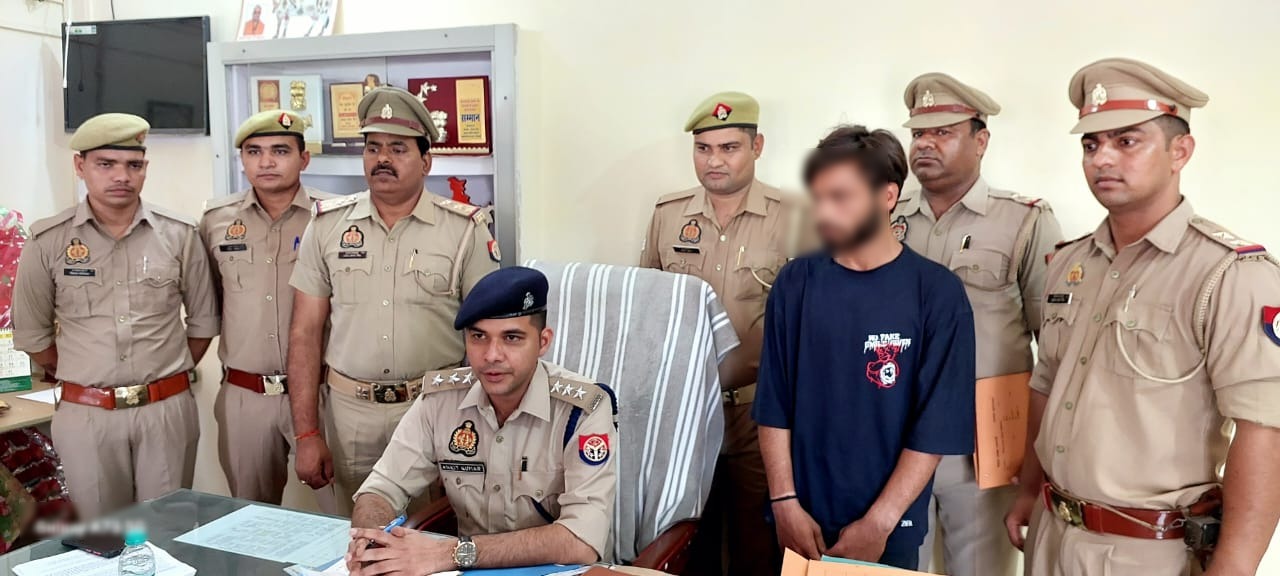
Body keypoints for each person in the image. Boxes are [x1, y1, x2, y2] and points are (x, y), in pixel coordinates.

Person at [1005, 58, 1280, 576]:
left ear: (1181, 151)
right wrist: (1028, 490)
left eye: (1127, 141)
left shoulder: (1230, 275)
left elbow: (1264, 432)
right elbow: (1047, 383)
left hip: (1149, 552)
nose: (1102, 158)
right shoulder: (1068, 263)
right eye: (1091, 145)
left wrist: (1234, 567)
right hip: (1051, 532)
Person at [753, 125, 976, 570]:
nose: (825, 212)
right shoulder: (796, 283)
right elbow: (774, 404)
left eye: (841, 197)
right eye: (819, 198)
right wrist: (784, 502)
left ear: (887, 196)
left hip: (889, 527)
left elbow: (935, 426)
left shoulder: (936, 293)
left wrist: (880, 522)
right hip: (801, 520)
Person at [288, 86, 499, 515]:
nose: (382, 158)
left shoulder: (465, 230)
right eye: (373, 148)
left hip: (436, 410)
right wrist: (307, 435)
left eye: (398, 149)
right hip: (351, 416)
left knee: (434, 532)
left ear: (426, 161)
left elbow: (488, 336)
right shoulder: (327, 225)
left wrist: (477, 426)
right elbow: (305, 332)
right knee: (360, 533)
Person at [893, 73, 1063, 576]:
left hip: (983, 443)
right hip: (895, 433)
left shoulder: (1023, 221)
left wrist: (1039, 458)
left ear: (981, 140)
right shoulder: (884, 216)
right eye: (919, 133)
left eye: (943, 132)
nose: (925, 144)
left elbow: (1054, 347)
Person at [11, 113, 219, 519]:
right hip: (87, 414)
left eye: (133, 165)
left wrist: (163, 374)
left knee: (168, 529)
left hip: (165, 410)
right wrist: (87, 371)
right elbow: (34, 336)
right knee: (101, 535)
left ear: (145, 168)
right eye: (106, 164)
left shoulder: (180, 234)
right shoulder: (48, 240)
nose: (121, 176)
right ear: (80, 166)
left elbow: (203, 323)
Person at [346, 266, 616, 574]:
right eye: (478, 337)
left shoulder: (582, 410)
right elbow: (382, 488)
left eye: (511, 338)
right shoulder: (441, 400)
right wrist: (373, 544)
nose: (491, 355)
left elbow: (581, 540)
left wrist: (451, 553)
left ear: (543, 342)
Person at [641, 91, 810, 576]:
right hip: (684, 411)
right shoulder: (668, 214)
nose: (714, 161)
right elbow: (649, 308)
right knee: (685, 536)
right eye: (703, 148)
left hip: (760, 413)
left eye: (729, 148)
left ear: (757, 147)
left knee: (759, 542)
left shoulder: (795, 216)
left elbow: (810, 324)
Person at [199, 110, 336, 507]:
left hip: (324, 392)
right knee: (249, 516)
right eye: (254, 152)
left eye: (280, 150)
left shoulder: (333, 217)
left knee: (344, 514)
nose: (266, 162)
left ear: (303, 158)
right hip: (246, 396)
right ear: (242, 160)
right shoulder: (215, 221)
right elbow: (208, 304)